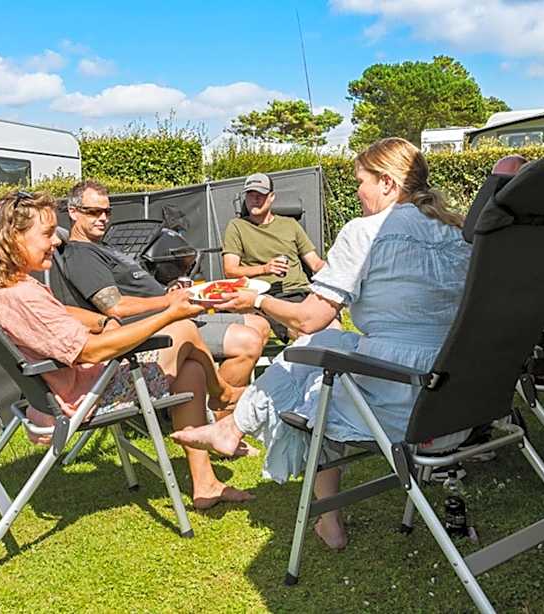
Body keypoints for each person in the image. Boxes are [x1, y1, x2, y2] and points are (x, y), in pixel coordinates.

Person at [172, 138, 472, 547]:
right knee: (325, 350)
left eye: (360, 183)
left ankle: (238, 430)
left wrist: (256, 299)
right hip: (456, 391)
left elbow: (312, 315)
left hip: (401, 396)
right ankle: (233, 427)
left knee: (318, 385)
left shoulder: (367, 232)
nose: (357, 194)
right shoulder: (457, 232)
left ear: (386, 182)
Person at [0, 190, 254, 510]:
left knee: (192, 370)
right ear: (12, 238)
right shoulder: (22, 296)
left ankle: (206, 484)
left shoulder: (7, 286)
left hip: (67, 388)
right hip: (85, 396)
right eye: (46, 234)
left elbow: (62, 313)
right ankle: (223, 395)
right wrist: (170, 314)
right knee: (184, 330)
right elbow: (92, 352)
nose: (54, 241)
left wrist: (104, 322)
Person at [58, 180, 270, 391]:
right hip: (154, 327)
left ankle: (208, 398)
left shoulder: (102, 247)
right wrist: (167, 300)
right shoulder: (82, 254)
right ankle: (223, 408)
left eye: (107, 212)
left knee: (260, 325)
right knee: (248, 342)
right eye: (94, 212)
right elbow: (116, 307)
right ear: (74, 212)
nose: (103, 218)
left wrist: (169, 291)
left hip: (172, 313)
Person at [222, 173, 329, 340]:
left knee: (332, 329)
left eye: (260, 195)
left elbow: (315, 263)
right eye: (250, 194)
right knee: (305, 333)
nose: (254, 199)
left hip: (302, 292)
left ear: (271, 197)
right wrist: (265, 269)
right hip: (267, 296)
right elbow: (230, 270)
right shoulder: (237, 226)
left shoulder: (290, 224)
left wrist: (341, 273)